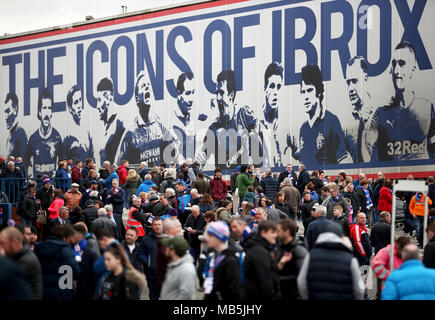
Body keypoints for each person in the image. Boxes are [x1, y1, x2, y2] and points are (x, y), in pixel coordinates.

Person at [363, 41, 435, 162]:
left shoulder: (428, 107)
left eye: (401, 64)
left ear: (413, 69)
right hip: (393, 178)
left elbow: (433, 146)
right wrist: (363, 123)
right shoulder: (381, 113)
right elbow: (367, 151)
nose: (396, 70)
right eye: (394, 64)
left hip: (421, 177)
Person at [287, 65, 351, 169]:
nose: (306, 96)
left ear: (319, 93)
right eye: (303, 92)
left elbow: (343, 159)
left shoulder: (331, 121)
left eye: (310, 90)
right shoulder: (303, 128)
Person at [195, 69, 258, 171]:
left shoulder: (244, 116)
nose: (218, 98)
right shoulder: (213, 128)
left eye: (221, 93)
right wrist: (198, 162)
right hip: (224, 180)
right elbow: (201, 159)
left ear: (231, 95)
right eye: (217, 93)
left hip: (244, 178)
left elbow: (260, 148)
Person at [117, 72, 179, 167]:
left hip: (158, 177)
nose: (147, 87)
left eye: (148, 85)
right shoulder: (130, 133)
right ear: (137, 99)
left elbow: (172, 148)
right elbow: (120, 164)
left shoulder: (160, 125)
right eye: (143, 86)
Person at [297, 223, 365, 300]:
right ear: (341, 236)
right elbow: (359, 289)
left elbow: (301, 282)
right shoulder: (351, 259)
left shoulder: (310, 255)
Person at [34, 224, 80, 300]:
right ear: (65, 237)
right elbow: (75, 273)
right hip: (61, 292)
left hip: (42, 292)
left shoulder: (39, 247)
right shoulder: (65, 250)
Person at [24, 88, 63, 178]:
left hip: (52, 183)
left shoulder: (57, 136)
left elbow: (62, 160)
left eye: (49, 108)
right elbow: (25, 162)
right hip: (38, 184)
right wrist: (29, 178)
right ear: (39, 112)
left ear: (51, 112)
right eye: (44, 108)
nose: (46, 112)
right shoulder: (33, 138)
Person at [343, 56, 375, 162]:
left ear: (365, 79)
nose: (351, 88)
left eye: (354, 81)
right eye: (348, 82)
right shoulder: (346, 126)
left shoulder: (381, 113)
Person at [202, 221, 241, 300]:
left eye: (210, 236)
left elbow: (235, 292)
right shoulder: (214, 255)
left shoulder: (231, 261)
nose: (207, 238)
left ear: (218, 237)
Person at [0, 227, 42, 300]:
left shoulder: (27, 260)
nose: (0, 247)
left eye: (2, 243)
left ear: (14, 242)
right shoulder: (15, 256)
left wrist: (2, 258)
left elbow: (8, 280)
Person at [243, 220, 281, 300]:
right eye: (273, 232)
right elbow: (265, 282)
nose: (276, 235)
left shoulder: (260, 248)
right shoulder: (260, 253)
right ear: (263, 233)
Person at [276, 219, 307, 300]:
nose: (276, 234)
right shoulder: (280, 247)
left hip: (294, 295)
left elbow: (301, 276)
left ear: (287, 232)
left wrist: (278, 279)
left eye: (279, 231)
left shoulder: (299, 250)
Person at [138, 217, 163, 300]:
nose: (157, 226)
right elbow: (140, 254)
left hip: (166, 275)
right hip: (151, 275)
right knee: (153, 296)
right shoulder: (146, 240)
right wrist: (147, 262)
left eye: (159, 224)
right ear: (152, 226)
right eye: (155, 225)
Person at [4, 92, 28, 159]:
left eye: (8, 111)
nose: (5, 117)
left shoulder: (20, 133)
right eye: (5, 112)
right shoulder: (11, 135)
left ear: (15, 109)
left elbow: (24, 162)